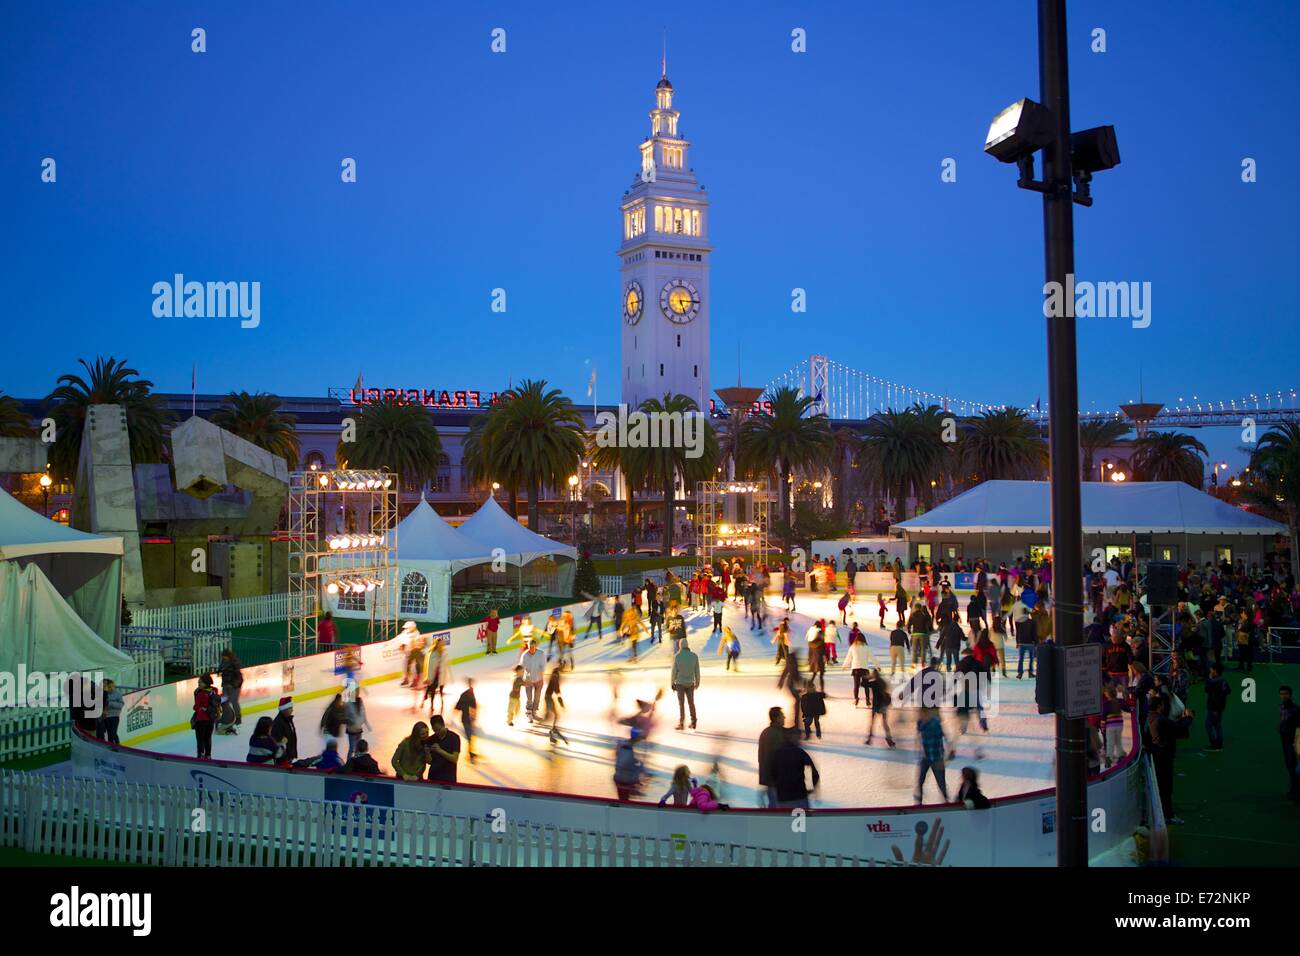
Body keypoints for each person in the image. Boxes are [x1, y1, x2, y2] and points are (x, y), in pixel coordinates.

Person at [1147, 695, 1193, 824]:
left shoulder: (1150, 718)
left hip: (1156, 755)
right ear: (1159, 706)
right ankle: (1168, 814)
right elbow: (1178, 729)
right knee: (1166, 787)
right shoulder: (1160, 719)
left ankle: (1163, 812)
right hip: (1164, 755)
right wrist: (1188, 718)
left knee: (1161, 786)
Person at [769, 729, 820, 809]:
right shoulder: (800, 753)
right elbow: (813, 773)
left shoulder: (777, 753)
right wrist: (808, 789)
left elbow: (772, 774)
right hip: (799, 797)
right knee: (802, 820)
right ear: (792, 738)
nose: (800, 740)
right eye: (799, 738)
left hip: (782, 798)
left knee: (785, 820)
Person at [914, 706, 950, 804]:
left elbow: (944, 736)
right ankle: (918, 802)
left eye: (920, 713)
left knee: (941, 782)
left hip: (937, 758)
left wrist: (945, 755)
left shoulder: (935, 723)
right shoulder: (920, 723)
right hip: (925, 757)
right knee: (920, 781)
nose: (918, 715)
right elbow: (919, 735)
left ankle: (946, 801)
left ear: (925, 713)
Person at [757, 707, 786, 806]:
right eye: (782, 716)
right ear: (777, 718)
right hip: (775, 779)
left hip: (773, 779)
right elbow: (772, 758)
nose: (784, 717)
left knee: (775, 805)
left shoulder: (772, 732)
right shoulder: (773, 734)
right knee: (777, 808)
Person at [672, 638, 700, 730]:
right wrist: (697, 682)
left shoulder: (677, 656)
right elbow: (697, 671)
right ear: (687, 645)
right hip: (690, 683)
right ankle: (694, 722)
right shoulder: (694, 656)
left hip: (680, 683)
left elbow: (674, 672)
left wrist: (672, 683)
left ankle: (681, 723)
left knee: (681, 704)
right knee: (691, 703)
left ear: (680, 645)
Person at [425, 714, 461, 783]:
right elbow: (429, 762)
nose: (437, 733)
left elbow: (454, 759)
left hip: (449, 777)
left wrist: (439, 751)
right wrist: (427, 752)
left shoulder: (454, 738)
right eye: (434, 730)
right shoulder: (431, 739)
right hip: (433, 776)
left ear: (443, 725)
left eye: (438, 729)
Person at [864, 668, 895, 747]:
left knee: (872, 722)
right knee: (885, 723)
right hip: (883, 704)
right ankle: (889, 739)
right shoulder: (883, 682)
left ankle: (869, 739)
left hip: (876, 705)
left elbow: (863, 684)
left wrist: (867, 678)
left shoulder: (873, 683)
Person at [1279, 685, 1300, 801]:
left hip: (1292, 740)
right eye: (1281, 694)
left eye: (1286, 694)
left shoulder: (1296, 710)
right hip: (1285, 739)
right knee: (1289, 765)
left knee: (1293, 766)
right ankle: (1294, 789)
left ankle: (1295, 790)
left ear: (1290, 695)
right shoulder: (1281, 707)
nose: (1283, 696)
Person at [1101, 683, 1129, 767]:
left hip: (1110, 726)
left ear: (1108, 694)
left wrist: (1103, 728)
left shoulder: (1106, 704)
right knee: (1118, 741)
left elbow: (1103, 718)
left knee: (1110, 743)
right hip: (1119, 724)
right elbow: (1127, 708)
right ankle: (1121, 757)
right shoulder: (1119, 701)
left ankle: (1109, 760)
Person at [844, 629, 875, 705]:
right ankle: (867, 700)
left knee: (856, 685)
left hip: (856, 669)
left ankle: (856, 699)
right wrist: (877, 666)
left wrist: (845, 665)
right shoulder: (866, 647)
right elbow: (872, 657)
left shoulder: (853, 647)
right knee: (866, 685)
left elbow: (848, 657)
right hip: (864, 668)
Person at [192, 675, 219, 759]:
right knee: (208, 738)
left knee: (200, 739)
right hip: (211, 719)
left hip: (201, 719)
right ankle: (208, 755)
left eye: (200, 682)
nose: (198, 683)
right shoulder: (214, 690)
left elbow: (196, 707)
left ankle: (200, 755)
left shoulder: (200, 694)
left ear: (205, 683)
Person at [519, 638, 546, 721]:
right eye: (530, 647)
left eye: (533, 647)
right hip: (528, 680)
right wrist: (520, 679)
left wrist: (541, 677)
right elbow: (521, 667)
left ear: (536, 646)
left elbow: (543, 666)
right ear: (528, 646)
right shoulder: (524, 655)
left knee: (537, 698)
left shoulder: (541, 653)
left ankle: (534, 712)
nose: (532, 649)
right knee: (529, 698)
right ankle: (529, 713)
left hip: (538, 680)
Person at [217, 649, 244, 729]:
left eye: (225, 657)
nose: (224, 658)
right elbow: (220, 669)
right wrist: (218, 672)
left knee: (234, 701)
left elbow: (238, 676)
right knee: (224, 700)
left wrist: (233, 685)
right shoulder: (223, 662)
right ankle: (227, 716)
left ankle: (238, 718)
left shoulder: (234, 663)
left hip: (235, 685)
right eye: (223, 657)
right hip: (226, 683)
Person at [543, 666, 569, 745]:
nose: (558, 676)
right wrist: (561, 703)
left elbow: (556, 690)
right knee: (554, 715)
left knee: (552, 715)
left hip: (548, 697)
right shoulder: (554, 679)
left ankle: (552, 729)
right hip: (548, 698)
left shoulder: (554, 678)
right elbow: (557, 691)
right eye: (557, 674)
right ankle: (552, 730)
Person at [344, 689, 372, 762]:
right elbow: (346, 716)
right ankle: (350, 763)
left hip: (356, 728)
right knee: (353, 748)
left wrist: (366, 723)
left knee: (355, 748)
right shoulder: (349, 703)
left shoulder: (358, 702)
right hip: (353, 728)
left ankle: (354, 763)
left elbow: (363, 713)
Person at [455, 678, 478, 761]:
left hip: (468, 718)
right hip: (467, 718)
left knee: (470, 736)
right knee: (469, 735)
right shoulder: (467, 694)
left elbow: (458, 706)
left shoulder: (467, 694)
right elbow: (459, 706)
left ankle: (470, 752)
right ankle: (470, 753)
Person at [271, 696, 298, 766]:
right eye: (290, 708)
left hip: (289, 754)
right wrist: (285, 757)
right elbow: (278, 741)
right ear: (284, 709)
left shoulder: (288, 719)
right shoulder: (278, 723)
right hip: (284, 758)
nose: (292, 710)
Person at [99, 679, 124, 745]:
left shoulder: (118, 694)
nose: (111, 688)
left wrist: (110, 704)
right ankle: (112, 747)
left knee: (113, 733)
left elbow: (121, 705)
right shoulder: (104, 695)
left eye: (113, 686)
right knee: (109, 734)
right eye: (109, 687)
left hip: (115, 716)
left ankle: (118, 745)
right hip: (106, 717)